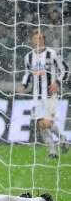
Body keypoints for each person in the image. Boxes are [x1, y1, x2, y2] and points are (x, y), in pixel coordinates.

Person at [18, 30, 69, 158]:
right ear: (32, 40)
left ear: (44, 40)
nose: (38, 41)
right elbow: (27, 73)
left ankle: (62, 139)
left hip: (50, 95)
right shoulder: (28, 57)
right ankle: (53, 151)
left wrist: (57, 82)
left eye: (40, 38)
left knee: (46, 122)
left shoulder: (52, 54)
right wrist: (23, 85)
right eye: (36, 38)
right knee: (40, 124)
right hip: (36, 96)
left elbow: (65, 70)